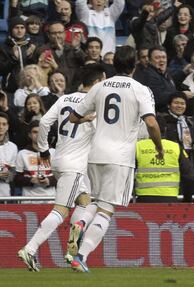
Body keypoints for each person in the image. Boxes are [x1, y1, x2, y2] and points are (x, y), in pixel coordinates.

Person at [68, 46, 163, 272]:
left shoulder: (99, 87)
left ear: (114, 64)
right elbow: (151, 123)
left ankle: (80, 222)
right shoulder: (139, 89)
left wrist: (86, 119)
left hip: (95, 154)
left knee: (95, 201)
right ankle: (80, 256)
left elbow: (73, 116)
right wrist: (158, 147)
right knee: (107, 210)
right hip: (120, 157)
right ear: (135, 66)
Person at [17, 64, 106, 272]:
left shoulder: (64, 99)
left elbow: (46, 121)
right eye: (102, 81)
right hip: (74, 165)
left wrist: (44, 150)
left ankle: (72, 251)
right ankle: (30, 249)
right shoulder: (93, 105)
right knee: (61, 210)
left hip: (58, 159)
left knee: (84, 201)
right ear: (96, 82)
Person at [135, 137, 194, 203]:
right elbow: (189, 176)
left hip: (144, 198)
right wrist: (187, 199)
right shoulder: (175, 147)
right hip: (169, 197)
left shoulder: (138, 146)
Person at [14, 120, 57, 203]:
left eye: (41, 132)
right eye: (35, 132)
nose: (38, 135)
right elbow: (16, 179)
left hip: (50, 200)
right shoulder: (22, 153)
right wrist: (31, 180)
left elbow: (61, 177)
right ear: (29, 135)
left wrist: (49, 181)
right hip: (28, 201)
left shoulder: (53, 152)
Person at [0, 112, 18, 198]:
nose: (1, 127)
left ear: (7, 127)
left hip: (5, 193)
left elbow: (14, 172)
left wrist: (7, 175)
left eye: (4, 124)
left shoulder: (13, 147)